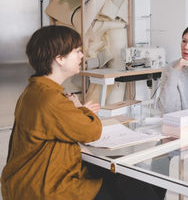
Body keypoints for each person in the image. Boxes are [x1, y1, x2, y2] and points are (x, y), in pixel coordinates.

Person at [1, 25, 163, 200]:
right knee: (132, 185)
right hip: (45, 188)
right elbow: (93, 131)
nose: (82, 55)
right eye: (77, 51)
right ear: (60, 58)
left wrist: (77, 110)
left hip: (23, 180)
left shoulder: (34, 91)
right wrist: (82, 110)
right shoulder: (52, 100)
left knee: (133, 182)